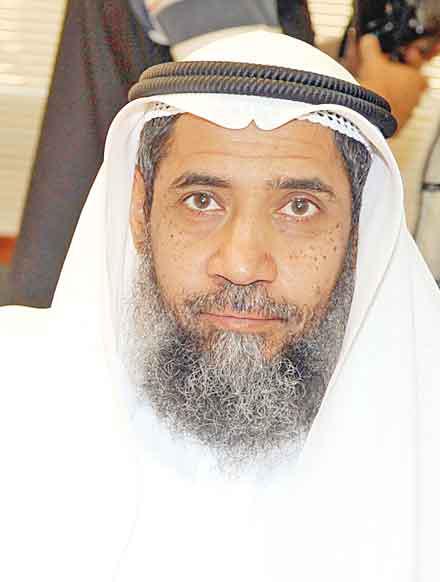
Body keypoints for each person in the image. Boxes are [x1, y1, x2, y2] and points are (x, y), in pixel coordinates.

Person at [1, 31, 440, 581]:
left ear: (358, 230)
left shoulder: (424, 434)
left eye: (299, 207)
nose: (242, 263)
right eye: (201, 200)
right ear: (140, 211)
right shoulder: (14, 388)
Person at [7, 0, 438, 308]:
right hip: (136, 300)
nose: (243, 263)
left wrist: (345, 69)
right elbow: (254, 114)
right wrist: (377, 98)